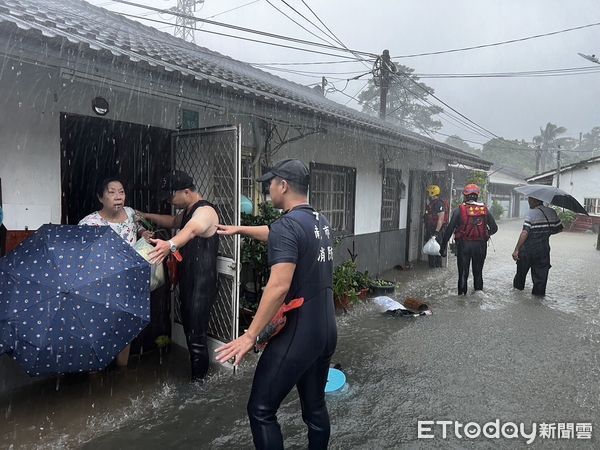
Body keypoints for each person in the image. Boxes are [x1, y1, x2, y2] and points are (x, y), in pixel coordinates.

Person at [215, 159, 337, 450]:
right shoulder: (319, 220)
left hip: (300, 332)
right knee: (314, 409)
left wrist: (250, 335)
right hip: (325, 330)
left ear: (283, 185)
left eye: (270, 183)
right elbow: (277, 233)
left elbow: (279, 286)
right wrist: (240, 229)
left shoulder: (288, 225)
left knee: (260, 410)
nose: (268, 189)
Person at [138, 170, 219, 382]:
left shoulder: (205, 211)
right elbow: (174, 221)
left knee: (196, 336)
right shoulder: (188, 210)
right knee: (191, 333)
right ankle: (197, 378)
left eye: (169, 196)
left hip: (202, 283)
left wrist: (170, 244)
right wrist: (145, 215)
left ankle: (199, 385)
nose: (168, 200)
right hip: (189, 281)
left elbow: (192, 229)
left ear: (186, 191)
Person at [79, 177, 150, 366]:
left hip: (129, 282)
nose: (118, 197)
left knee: (124, 327)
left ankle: (122, 372)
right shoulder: (89, 223)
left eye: (121, 191)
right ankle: (95, 373)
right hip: (101, 285)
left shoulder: (131, 213)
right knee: (98, 328)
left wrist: (143, 234)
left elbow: (139, 227)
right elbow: (81, 257)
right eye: (112, 192)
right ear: (100, 198)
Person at [440, 184, 498, 295]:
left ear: (465, 196)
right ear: (477, 196)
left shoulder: (459, 210)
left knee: (463, 274)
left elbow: (449, 230)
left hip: (464, 245)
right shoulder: (484, 210)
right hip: (480, 246)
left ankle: (461, 300)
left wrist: (443, 248)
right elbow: (495, 228)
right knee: (478, 273)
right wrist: (485, 234)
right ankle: (478, 297)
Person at [512, 196, 563, 296]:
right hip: (543, 251)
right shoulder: (552, 212)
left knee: (520, 276)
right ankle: (538, 302)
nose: (528, 202)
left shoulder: (531, 213)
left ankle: (517, 297)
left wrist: (516, 249)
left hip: (527, 250)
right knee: (541, 280)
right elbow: (559, 229)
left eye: (529, 200)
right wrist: (545, 233)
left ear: (535, 200)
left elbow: (525, 232)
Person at [424, 184, 448, 268]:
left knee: (437, 251)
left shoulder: (439, 204)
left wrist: (436, 233)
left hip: (437, 231)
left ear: (432, 192)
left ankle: (437, 268)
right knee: (431, 251)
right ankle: (432, 268)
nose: (427, 193)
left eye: (429, 192)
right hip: (430, 230)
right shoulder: (431, 203)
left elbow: (440, 219)